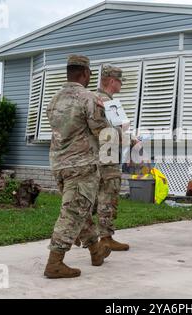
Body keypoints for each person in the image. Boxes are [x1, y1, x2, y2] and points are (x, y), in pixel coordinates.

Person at [43, 55, 112, 279]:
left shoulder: (54, 99)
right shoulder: (89, 98)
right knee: (73, 212)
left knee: (80, 209)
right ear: (85, 73)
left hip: (59, 165)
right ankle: (55, 262)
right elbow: (102, 132)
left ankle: (96, 251)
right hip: (82, 165)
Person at [75, 64, 132, 251]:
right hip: (107, 156)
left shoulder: (93, 98)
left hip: (94, 156)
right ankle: (105, 237)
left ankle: (80, 231)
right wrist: (131, 141)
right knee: (108, 196)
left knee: (93, 198)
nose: (121, 85)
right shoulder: (107, 103)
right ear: (113, 81)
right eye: (120, 81)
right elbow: (114, 130)